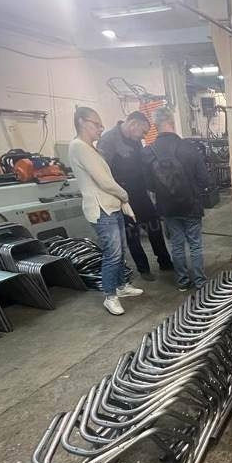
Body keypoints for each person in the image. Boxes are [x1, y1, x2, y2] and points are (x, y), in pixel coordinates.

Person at [68, 106, 143, 316]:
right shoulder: (79, 147)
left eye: (101, 125)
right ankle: (110, 296)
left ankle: (121, 286)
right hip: (101, 210)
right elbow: (104, 181)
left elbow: (107, 180)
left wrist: (122, 203)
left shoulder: (90, 148)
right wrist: (125, 196)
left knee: (120, 251)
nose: (101, 129)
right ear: (82, 122)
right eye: (97, 124)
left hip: (111, 207)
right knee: (112, 254)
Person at [97, 111, 173, 281]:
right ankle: (144, 269)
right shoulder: (108, 141)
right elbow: (102, 173)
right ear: (133, 124)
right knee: (132, 234)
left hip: (140, 192)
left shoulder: (135, 140)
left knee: (155, 227)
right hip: (122, 197)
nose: (143, 136)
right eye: (143, 132)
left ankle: (165, 262)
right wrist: (117, 197)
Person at [144, 107, 210, 291]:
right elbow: (204, 179)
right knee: (195, 245)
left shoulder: (149, 151)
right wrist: (194, 191)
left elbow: (149, 185)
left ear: (156, 126)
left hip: (168, 208)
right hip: (191, 205)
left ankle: (182, 281)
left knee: (176, 245)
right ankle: (200, 282)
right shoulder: (188, 147)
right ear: (172, 122)